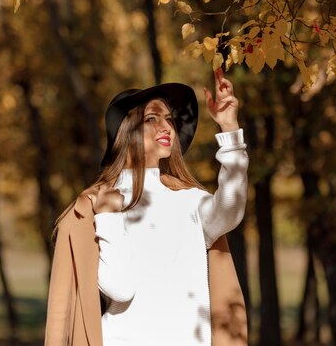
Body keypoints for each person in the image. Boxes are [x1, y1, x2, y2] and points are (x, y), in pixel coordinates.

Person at [45, 68, 249, 346]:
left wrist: (229, 130)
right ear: (127, 132)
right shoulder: (99, 203)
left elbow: (232, 208)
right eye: (151, 119)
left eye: (168, 119)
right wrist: (107, 217)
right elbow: (120, 288)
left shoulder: (191, 200)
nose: (165, 127)